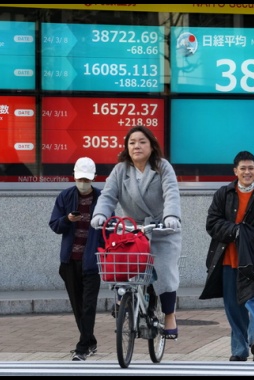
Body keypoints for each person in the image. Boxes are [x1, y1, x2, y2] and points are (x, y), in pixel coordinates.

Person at [90, 125, 182, 339]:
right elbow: (107, 195)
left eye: (142, 141)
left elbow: (171, 193)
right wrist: (100, 214)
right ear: (126, 147)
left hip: (161, 228)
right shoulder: (120, 170)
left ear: (151, 145)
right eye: (132, 142)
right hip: (132, 228)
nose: (137, 146)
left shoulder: (162, 167)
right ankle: (124, 298)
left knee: (165, 271)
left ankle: (169, 315)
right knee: (121, 262)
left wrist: (171, 217)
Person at [199, 150, 254, 362]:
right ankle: (239, 350)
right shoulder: (224, 194)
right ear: (235, 171)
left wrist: (252, 235)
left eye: (251, 168)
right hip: (228, 260)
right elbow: (212, 222)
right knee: (233, 306)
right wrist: (235, 231)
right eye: (243, 168)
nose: (247, 172)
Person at [49, 157, 108, 362]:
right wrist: (67, 219)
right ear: (74, 177)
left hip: (92, 261)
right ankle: (90, 341)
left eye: (87, 179)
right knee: (77, 305)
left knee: (88, 305)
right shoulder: (65, 196)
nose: (83, 182)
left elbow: (109, 227)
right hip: (69, 261)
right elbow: (54, 225)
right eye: (80, 178)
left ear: (93, 179)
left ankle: (82, 348)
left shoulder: (102, 198)